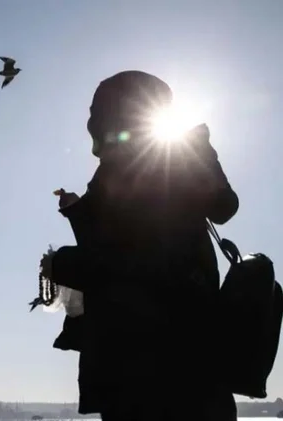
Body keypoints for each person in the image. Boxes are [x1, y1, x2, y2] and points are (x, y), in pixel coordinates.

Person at [42, 70, 239, 421]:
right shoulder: (163, 163)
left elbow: (140, 263)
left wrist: (62, 264)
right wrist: (79, 212)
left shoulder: (140, 167)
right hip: (188, 362)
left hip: (147, 369)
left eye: (97, 110)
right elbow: (127, 243)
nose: (92, 122)